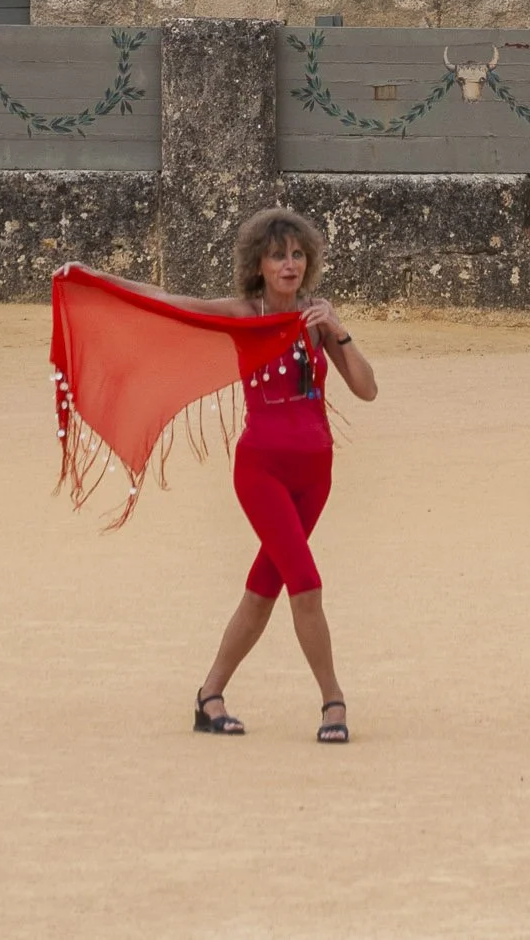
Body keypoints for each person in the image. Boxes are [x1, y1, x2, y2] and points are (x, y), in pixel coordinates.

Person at [190, 207, 377, 744]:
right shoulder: (246, 315)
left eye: (297, 254)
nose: (289, 264)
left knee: (261, 591)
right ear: (259, 266)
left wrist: (339, 331)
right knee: (306, 585)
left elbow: (367, 389)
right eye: (278, 256)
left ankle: (209, 696)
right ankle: (333, 703)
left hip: (315, 476)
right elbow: (174, 306)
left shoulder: (317, 322)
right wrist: (98, 281)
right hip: (262, 472)